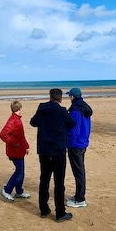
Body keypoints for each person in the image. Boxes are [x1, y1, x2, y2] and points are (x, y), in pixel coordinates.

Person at [30, 88, 76, 222]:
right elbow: (72, 123)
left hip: (45, 151)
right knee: (58, 183)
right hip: (57, 151)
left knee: (44, 180)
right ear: (60, 99)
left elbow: (34, 122)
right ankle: (60, 213)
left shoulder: (42, 109)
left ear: (50, 97)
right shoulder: (60, 111)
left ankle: (44, 209)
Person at [65, 88, 93, 208]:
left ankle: (80, 199)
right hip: (82, 143)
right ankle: (78, 196)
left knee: (79, 172)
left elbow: (74, 130)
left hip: (76, 145)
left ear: (72, 97)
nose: (69, 98)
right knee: (79, 171)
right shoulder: (83, 107)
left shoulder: (76, 110)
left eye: (70, 96)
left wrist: (68, 144)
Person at [0, 100, 30, 201]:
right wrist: (14, 143)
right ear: (19, 108)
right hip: (14, 151)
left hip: (20, 150)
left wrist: (26, 146)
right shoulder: (13, 120)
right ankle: (7, 190)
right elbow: (3, 134)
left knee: (21, 171)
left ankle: (19, 191)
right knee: (19, 172)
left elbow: (21, 136)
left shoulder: (17, 119)